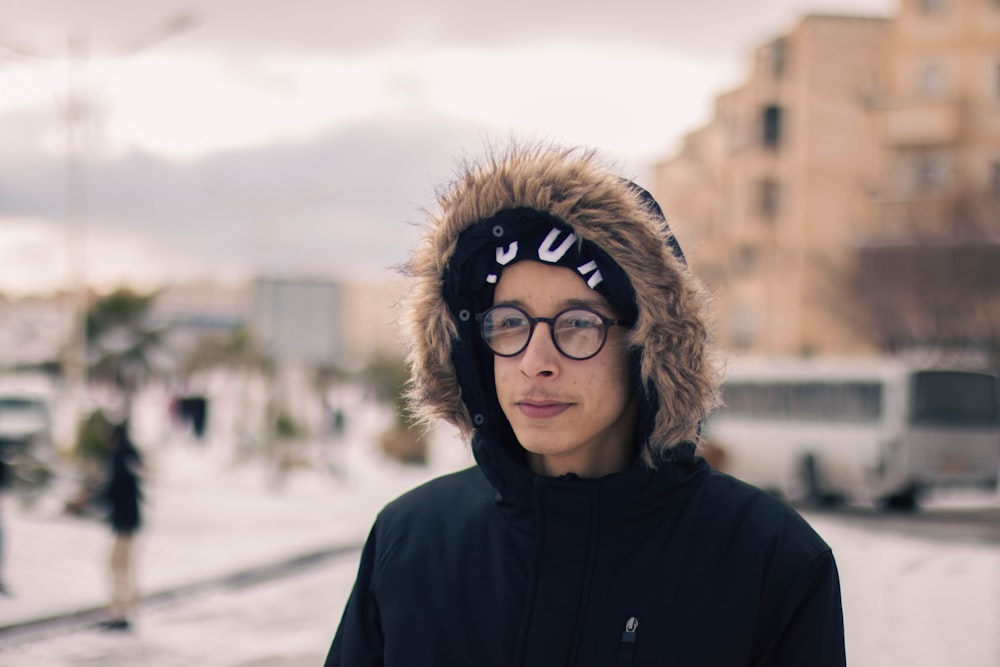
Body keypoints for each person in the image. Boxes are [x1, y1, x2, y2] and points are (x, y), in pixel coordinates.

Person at [324, 144, 845, 666]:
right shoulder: (412, 543)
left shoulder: (768, 560)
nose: (535, 362)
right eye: (509, 323)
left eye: (578, 323)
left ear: (647, 346)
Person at [94, 420, 144, 631]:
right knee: (125, 565)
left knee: (118, 566)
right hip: (129, 519)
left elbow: (115, 489)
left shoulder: (118, 457)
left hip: (124, 521)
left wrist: (93, 499)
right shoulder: (130, 455)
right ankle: (126, 606)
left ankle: (120, 611)